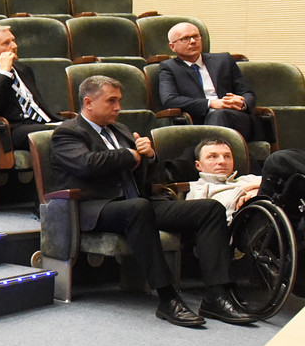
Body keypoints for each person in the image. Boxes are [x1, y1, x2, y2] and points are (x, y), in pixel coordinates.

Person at [49, 74, 248, 328]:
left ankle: (216, 295)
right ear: (88, 103)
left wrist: (150, 155)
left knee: (210, 209)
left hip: (138, 202)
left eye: (119, 101)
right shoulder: (67, 133)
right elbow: (86, 164)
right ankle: (167, 298)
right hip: (97, 208)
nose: (118, 107)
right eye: (111, 101)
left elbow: (147, 175)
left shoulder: (120, 130)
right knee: (138, 207)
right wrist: (130, 154)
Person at [156, 22, 261, 141]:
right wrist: (211, 103)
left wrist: (242, 103)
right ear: (172, 47)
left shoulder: (224, 60)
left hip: (235, 118)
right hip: (200, 121)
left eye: (196, 36)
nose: (193, 41)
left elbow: (247, 93)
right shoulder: (169, 67)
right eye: (185, 39)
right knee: (217, 115)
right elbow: (170, 100)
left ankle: (212, 149)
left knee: (220, 114)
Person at [0, 24, 57, 150]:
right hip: (13, 129)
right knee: (64, 131)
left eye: (13, 41)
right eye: (6, 43)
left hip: (43, 122)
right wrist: (4, 73)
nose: (14, 46)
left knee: (78, 126)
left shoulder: (23, 69)